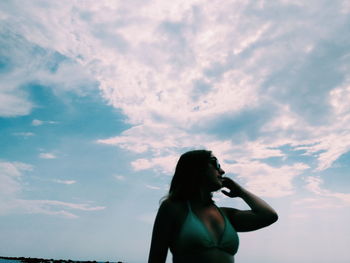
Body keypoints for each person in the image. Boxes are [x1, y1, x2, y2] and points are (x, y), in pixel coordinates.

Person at [148, 150, 278, 263]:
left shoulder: (226, 215)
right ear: (197, 168)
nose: (222, 171)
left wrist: (241, 191)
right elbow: (156, 259)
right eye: (216, 164)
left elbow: (268, 216)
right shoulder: (172, 208)